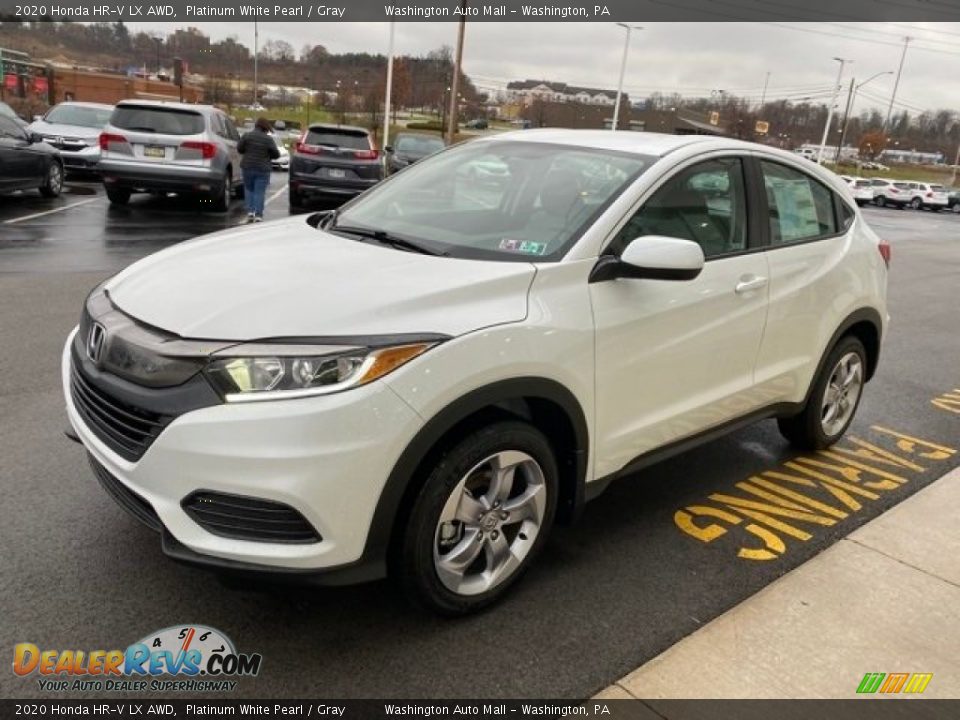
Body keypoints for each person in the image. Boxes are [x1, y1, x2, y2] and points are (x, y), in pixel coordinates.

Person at [237, 117, 280, 223]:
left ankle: (250, 212)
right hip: (262, 169)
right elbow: (276, 154)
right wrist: (268, 156)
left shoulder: (247, 136)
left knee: (249, 189)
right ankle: (258, 215)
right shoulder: (268, 139)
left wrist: (247, 151)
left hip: (247, 167)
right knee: (259, 192)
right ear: (265, 128)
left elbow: (239, 149)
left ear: (256, 125)